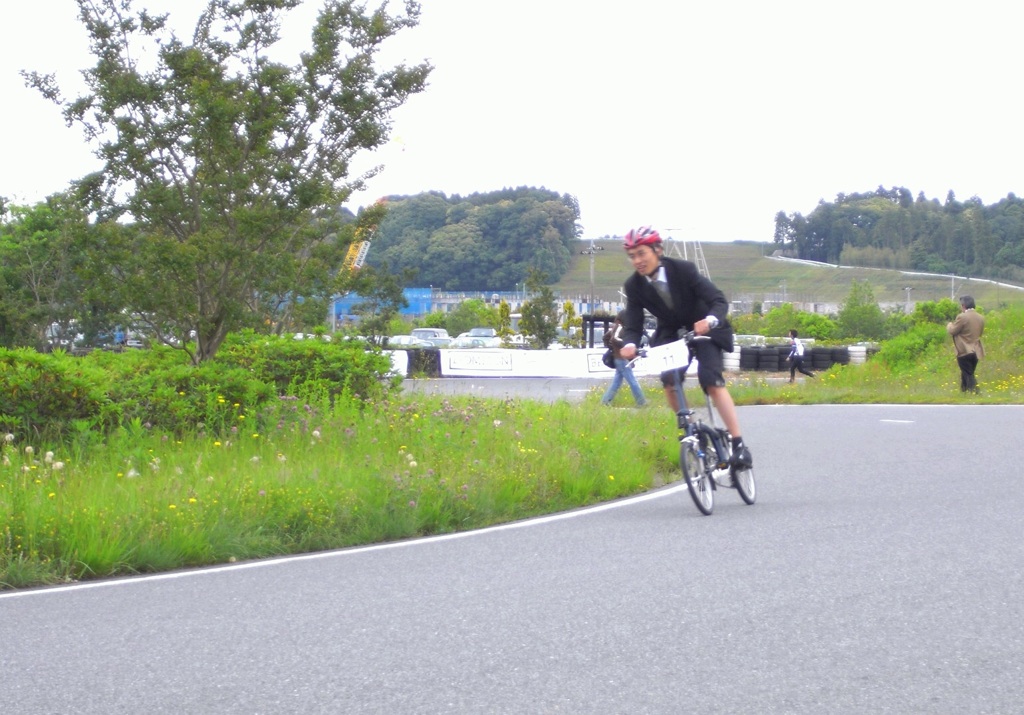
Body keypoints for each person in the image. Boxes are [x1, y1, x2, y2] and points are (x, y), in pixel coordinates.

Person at [617, 226, 752, 469]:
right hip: (671, 331)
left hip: (705, 326)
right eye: (632, 256)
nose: (637, 261)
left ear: (658, 250)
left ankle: (739, 443)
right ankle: (692, 430)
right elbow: (633, 323)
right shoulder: (634, 286)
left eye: (641, 253)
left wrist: (709, 321)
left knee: (710, 379)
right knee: (669, 381)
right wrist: (628, 344)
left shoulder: (683, 269)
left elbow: (718, 299)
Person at [601, 312, 647, 407]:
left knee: (617, 382)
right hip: (621, 358)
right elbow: (614, 339)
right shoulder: (620, 327)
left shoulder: (618, 327)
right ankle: (641, 402)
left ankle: (605, 401)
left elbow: (607, 337)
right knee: (632, 381)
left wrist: (612, 348)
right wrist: (626, 344)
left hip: (619, 358)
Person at [947, 295, 985, 393]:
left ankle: (975, 392)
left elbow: (953, 331)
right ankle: (963, 392)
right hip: (976, 350)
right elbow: (980, 333)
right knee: (967, 372)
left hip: (964, 350)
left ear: (963, 305)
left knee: (968, 373)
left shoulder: (962, 317)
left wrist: (949, 325)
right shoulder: (981, 318)